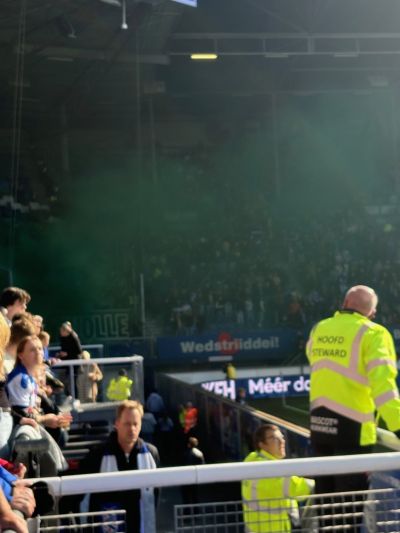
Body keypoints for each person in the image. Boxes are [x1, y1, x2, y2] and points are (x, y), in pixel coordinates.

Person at [306, 285, 400, 497]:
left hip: (320, 426)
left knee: (325, 501)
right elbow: (384, 387)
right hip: (353, 431)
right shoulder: (374, 333)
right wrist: (398, 425)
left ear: (345, 303)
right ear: (372, 312)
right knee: (349, 505)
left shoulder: (319, 328)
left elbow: (313, 359)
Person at [79, 400, 159, 533]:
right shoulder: (97, 454)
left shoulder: (151, 453)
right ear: (117, 424)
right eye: (127, 424)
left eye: (135, 424)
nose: (132, 429)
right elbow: (84, 497)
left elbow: (155, 496)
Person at [242, 424, 314, 532]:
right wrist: (322, 480)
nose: (282, 441)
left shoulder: (253, 458)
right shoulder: (267, 469)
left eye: (282, 437)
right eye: (274, 438)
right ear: (262, 445)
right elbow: (298, 489)